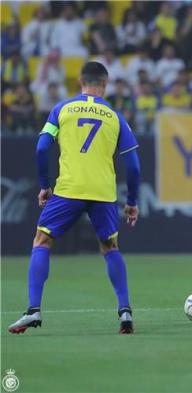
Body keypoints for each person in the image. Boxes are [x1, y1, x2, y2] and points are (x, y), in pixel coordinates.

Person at [8, 62, 141, 335]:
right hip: (103, 192)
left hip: (69, 189)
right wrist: (132, 201)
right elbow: (134, 166)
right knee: (110, 248)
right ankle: (125, 311)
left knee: (42, 240)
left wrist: (45, 185)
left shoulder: (62, 109)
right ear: (105, 84)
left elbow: (42, 147)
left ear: (80, 82)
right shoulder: (115, 117)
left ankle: (33, 310)